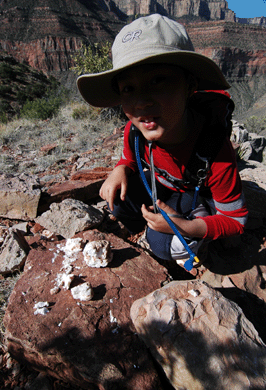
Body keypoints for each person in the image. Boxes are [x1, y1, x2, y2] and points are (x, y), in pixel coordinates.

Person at [77, 14, 248, 270]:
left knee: (164, 245)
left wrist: (182, 225)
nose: (141, 102)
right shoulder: (135, 131)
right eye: (128, 89)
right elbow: (130, 157)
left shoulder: (215, 151)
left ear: (189, 86)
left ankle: (197, 214)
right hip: (164, 189)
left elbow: (236, 220)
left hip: (194, 192)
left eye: (157, 81)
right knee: (118, 200)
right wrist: (121, 168)